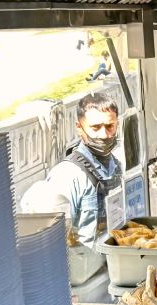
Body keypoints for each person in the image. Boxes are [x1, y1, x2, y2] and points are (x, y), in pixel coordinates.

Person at [37, 92, 122, 252]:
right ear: (79, 128)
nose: (104, 135)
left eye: (110, 126)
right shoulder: (67, 176)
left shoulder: (119, 165)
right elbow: (54, 239)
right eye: (95, 127)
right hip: (88, 269)